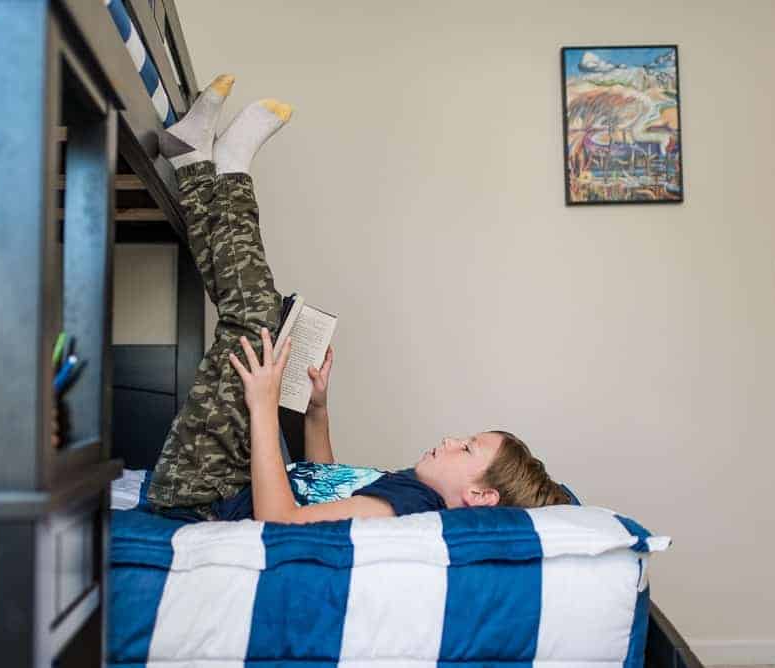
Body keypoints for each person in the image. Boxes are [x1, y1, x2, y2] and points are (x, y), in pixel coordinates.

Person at [149, 75, 570, 523]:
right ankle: (194, 160)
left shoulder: (413, 505)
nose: (450, 439)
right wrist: (317, 410)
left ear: (479, 495)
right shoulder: (411, 487)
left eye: (466, 448)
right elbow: (324, 481)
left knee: (255, 322)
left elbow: (280, 520)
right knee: (265, 315)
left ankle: (227, 170)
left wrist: (263, 407)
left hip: (200, 497)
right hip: (227, 479)